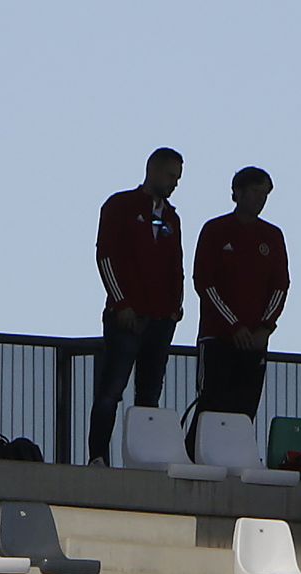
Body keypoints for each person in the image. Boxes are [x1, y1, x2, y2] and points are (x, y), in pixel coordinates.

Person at [89, 147, 186, 466]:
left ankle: (143, 459)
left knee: (149, 396)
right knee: (111, 391)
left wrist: (175, 307)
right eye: (171, 176)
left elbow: (176, 266)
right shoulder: (120, 205)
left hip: (161, 320)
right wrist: (121, 304)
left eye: (178, 178)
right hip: (127, 318)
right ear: (154, 171)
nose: (174, 183)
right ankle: (98, 457)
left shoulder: (171, 217)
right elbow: (105, 256)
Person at [185, 165, 291, 455]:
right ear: (237, 193)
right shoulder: (216, 230)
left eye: (265, 194)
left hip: (255, 342)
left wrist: (265, 328)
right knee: (211, 403)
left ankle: (233, 458)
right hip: (218, 338)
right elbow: (204, 282)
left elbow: (280, 286)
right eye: (255, 192)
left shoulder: (272, 235)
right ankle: (195, 458)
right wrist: (234, 326)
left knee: (245, 409)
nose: (260, 200)